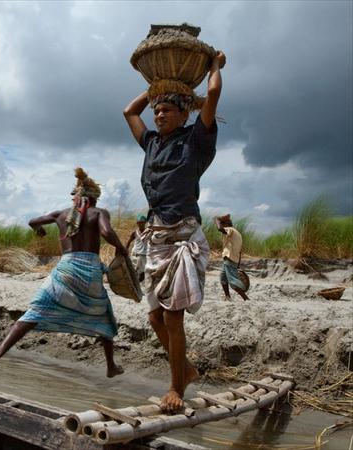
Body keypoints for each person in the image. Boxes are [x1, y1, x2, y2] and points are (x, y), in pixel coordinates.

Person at [123, 50, 226, 413]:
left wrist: (213, 67)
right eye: (157, 110)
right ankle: (186, 369)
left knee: (172, 315)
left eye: (167, 109)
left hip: (182, 237)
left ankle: (175, 387)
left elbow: (211, 96)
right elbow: (128, 112)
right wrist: (156, 88)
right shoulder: (151, 142)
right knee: (154, 316)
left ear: (185, 113)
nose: (159, 114)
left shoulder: (196, 141)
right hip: (156, 238)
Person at [0, 168, 128, 385]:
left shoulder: (59, 214)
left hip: (65, 268)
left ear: (77, 197)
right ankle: (110, 366)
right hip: (89, 270)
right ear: (94, 198)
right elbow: (107, 233)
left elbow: (33, 221)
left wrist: (39, 231)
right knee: (104, 314)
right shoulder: (99, 213)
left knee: (34, 313)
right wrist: (122, 249)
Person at [215, 215, 249, 301]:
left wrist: (217, 220)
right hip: (232, 259)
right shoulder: (238, 234)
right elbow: (240, 251)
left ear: (226, 224)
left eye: (223, 224)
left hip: (229, 258)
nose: (222, 225)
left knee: (232, 281)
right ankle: (228, 297)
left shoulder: (230, 230)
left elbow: (220, 229)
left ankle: (246, 298)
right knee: (223, 278)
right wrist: (238, 263)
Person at [125, 214, 148, 282]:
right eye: (139, 223)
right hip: (136, 253)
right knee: (134, 271)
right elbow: (128, 242)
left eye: (142, 223)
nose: (140, 224)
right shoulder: (135, 233)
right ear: (137, 223)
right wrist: (125, 250)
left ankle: (137, 285)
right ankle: (135, 286)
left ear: (145, 223)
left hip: (144, 254)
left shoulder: (148, 232)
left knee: (143, 273)